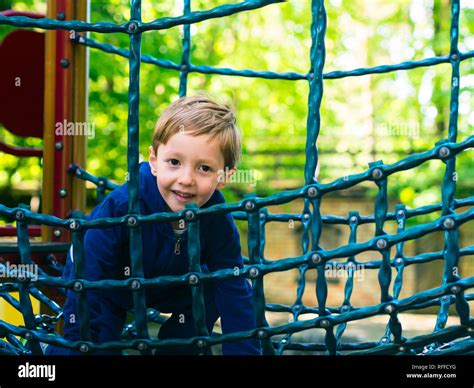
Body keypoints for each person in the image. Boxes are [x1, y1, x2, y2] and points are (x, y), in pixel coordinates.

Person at [46, 94, 261, 355]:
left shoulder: (217, 218)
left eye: (204, 168)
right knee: (93, 335)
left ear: (225, 175)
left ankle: (178, 348)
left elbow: (233, 287)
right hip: (105, 281)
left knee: (216, 284)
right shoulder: (122, 207)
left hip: (170, 284)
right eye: (174, 162)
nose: (186, 179)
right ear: (154, 161)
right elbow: (89, 276)